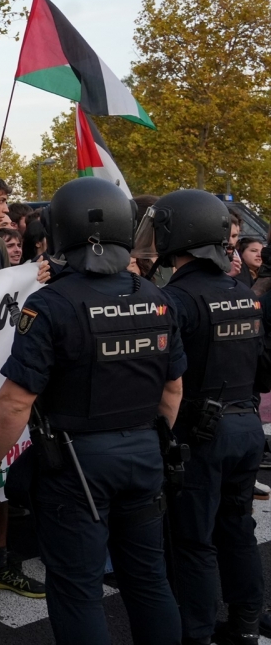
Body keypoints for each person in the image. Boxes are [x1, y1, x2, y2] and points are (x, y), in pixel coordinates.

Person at [0, 177, 185, 645]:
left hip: (76, 465)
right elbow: (172, 392)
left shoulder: (51, 304)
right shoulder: (155, 298)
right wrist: (152, 441)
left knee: (77, 589)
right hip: (145, 453)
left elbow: (15, 401)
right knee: (149, 579)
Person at [138, 190, 269, 645]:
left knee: (192, 540)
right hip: (247, 426)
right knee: (237, 528)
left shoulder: (175, 298)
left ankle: (194, 633)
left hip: (198, 432)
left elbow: (160, 376)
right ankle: (247, 621)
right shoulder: (243, 292)